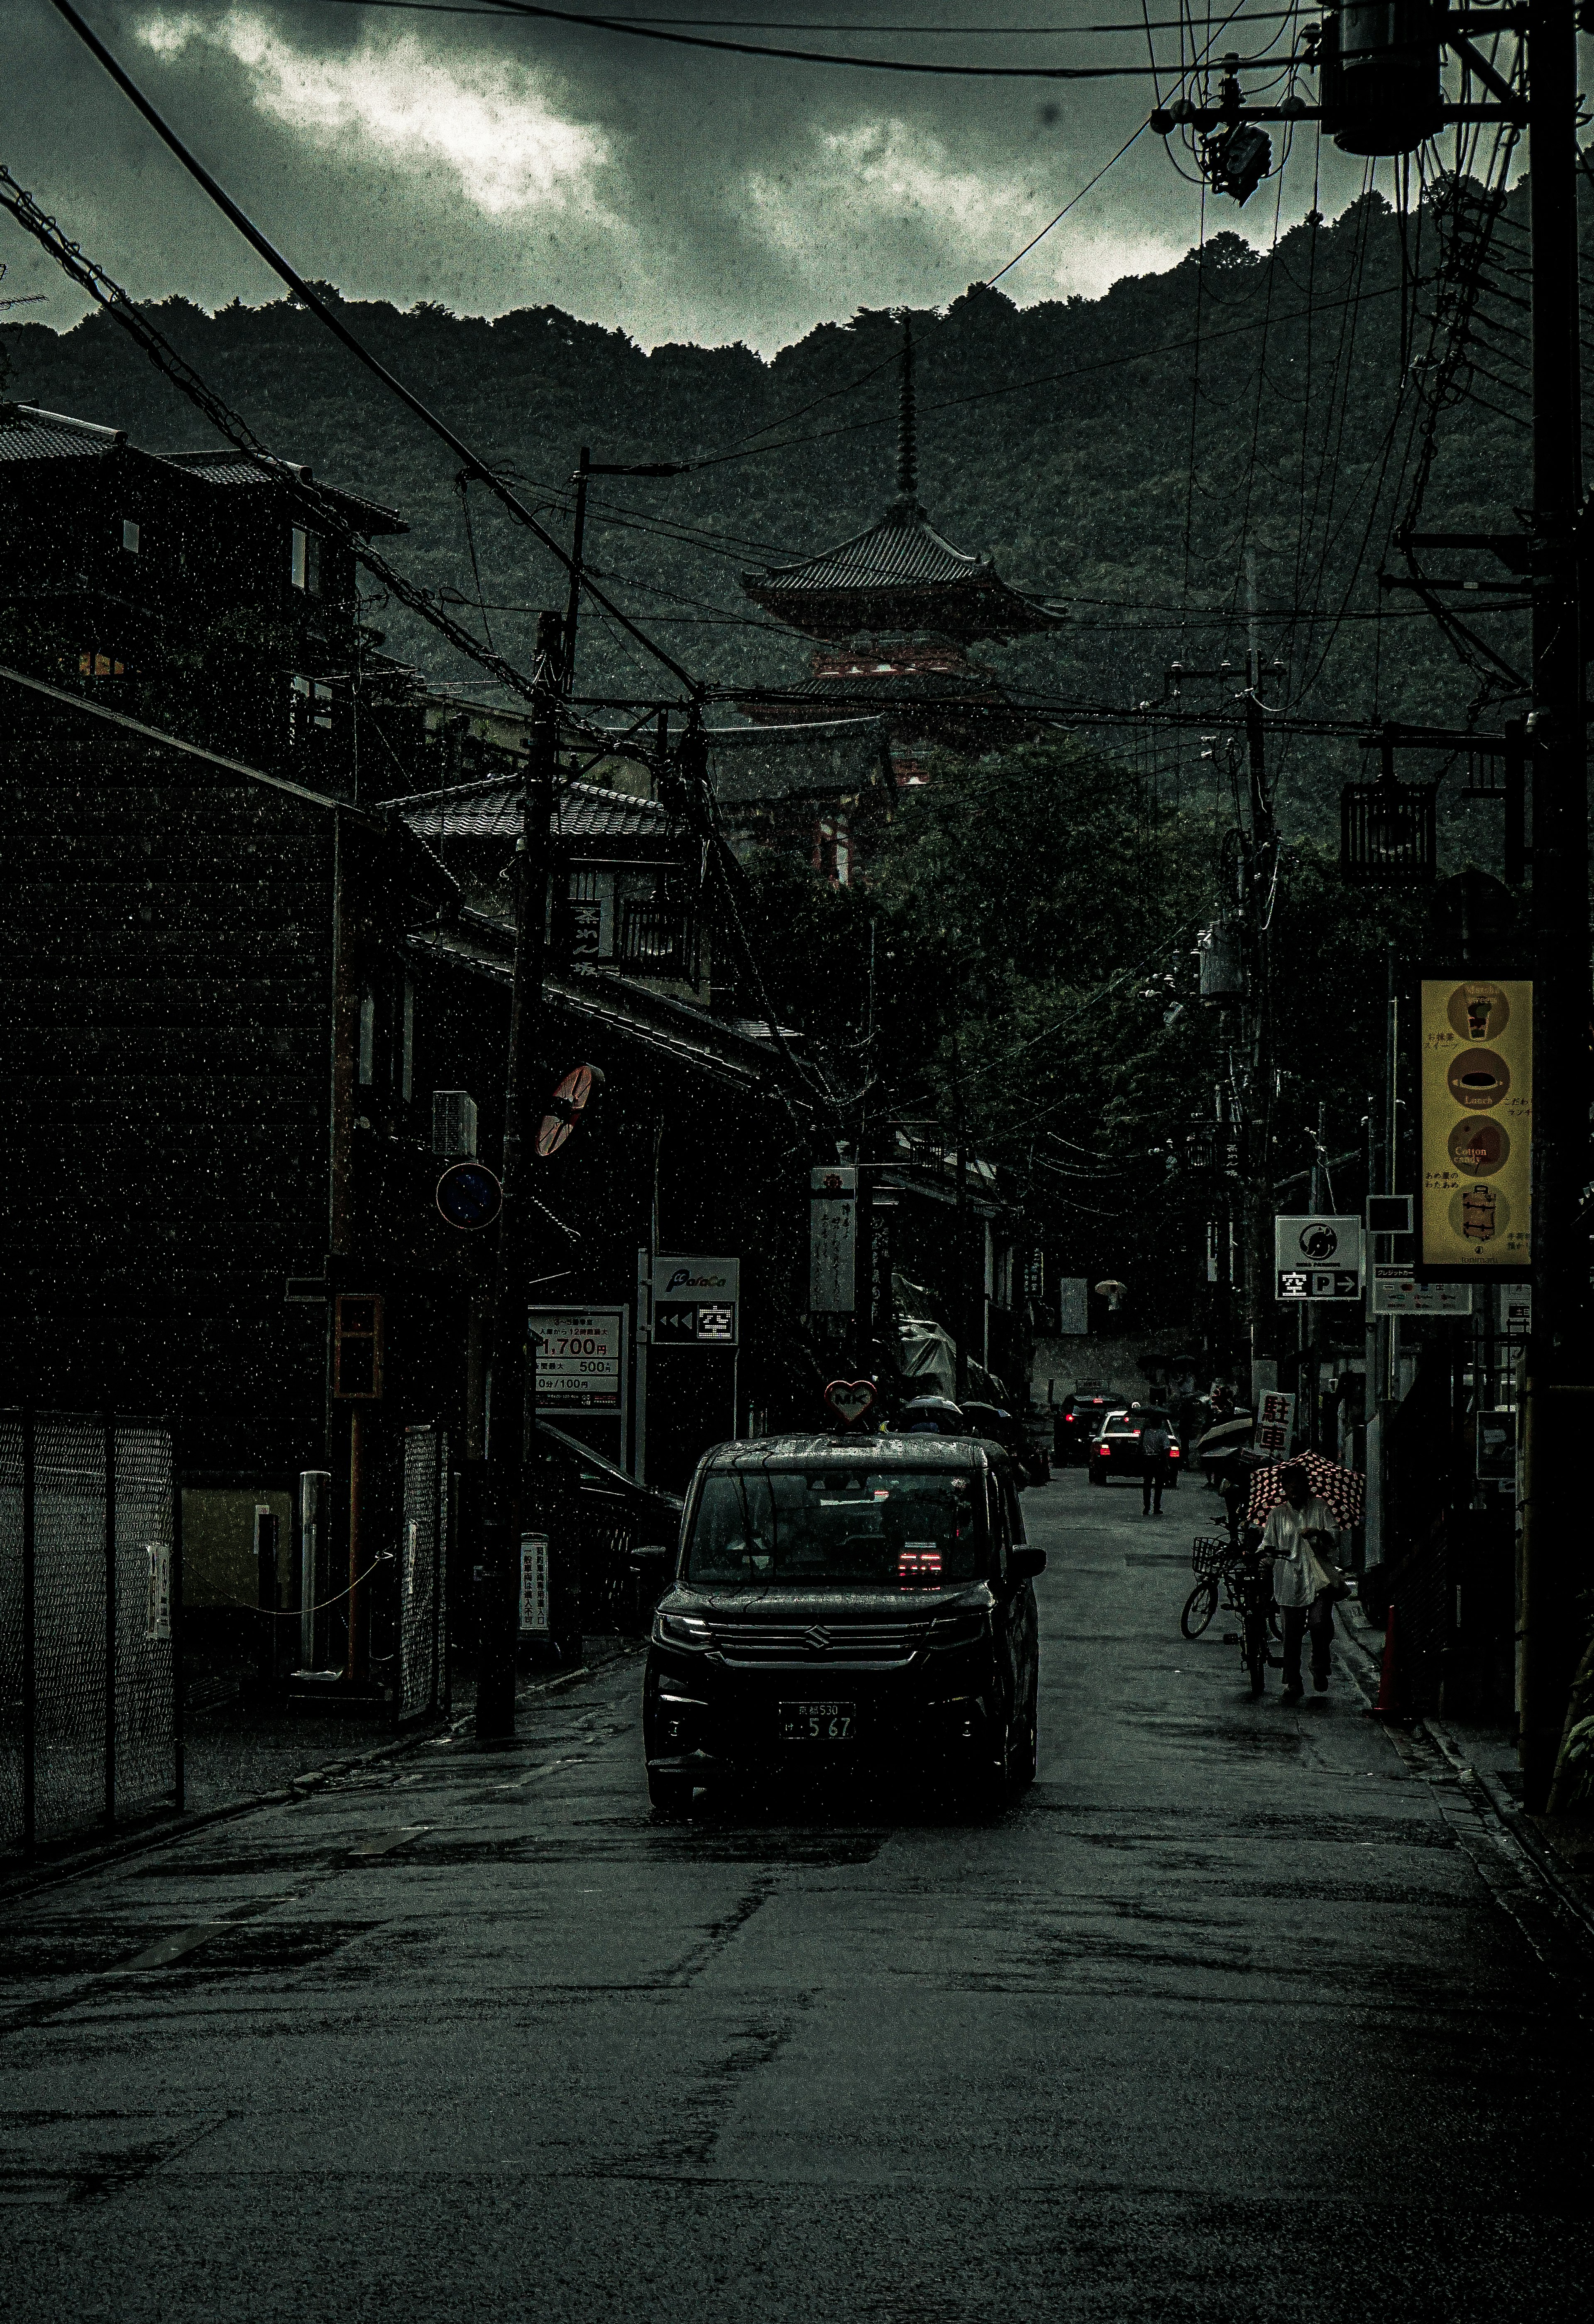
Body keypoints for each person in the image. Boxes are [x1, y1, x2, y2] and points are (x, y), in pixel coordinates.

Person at [1259, 1463, 1342, 1702]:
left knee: (1319, 1623)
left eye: (1298, 1482)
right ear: (1284, 1487)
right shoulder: (1277, 1515)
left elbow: (1335, 1537)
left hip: (1318, 1578)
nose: (1294, 1487)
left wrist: (1318, 1532)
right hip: (1288, 1579)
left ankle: (1319, 1664)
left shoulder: (1320, 1508)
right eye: (1289, 1483)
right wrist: (1264, 1561)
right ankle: (1293, 1682)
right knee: (1291, 1634)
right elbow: (1268, 1546)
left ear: (1307, 1485)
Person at [1140, 1414, 1173, 1515]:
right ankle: (1156, 1507)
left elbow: (1140, 1444)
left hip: (1147, 1459)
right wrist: (1167, 1463)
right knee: (1159, 1485)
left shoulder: (1146, 1433)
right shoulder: (1162, 1433)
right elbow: (1167, 1448)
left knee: (1147, 1484)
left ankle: (1147, 1507)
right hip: (1158, 1460)